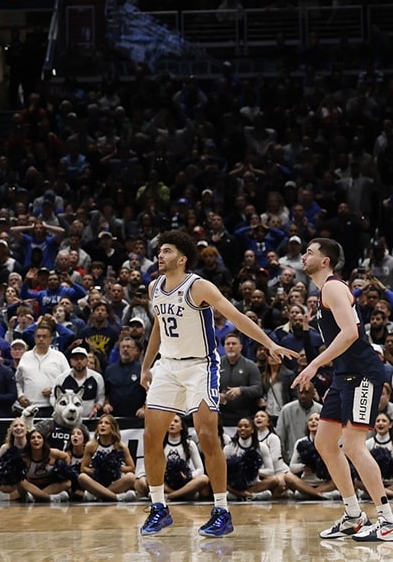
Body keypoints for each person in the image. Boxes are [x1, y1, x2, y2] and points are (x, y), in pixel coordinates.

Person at [139, 230, 297, 537]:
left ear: (182, 259)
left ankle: (222, 510)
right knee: (150, 435)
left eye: (167, 251)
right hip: (167, 366)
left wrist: (269, 343)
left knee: (207, 435)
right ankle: (158, 507)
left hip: (200, 366)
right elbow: (159, 326)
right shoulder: (154, 287)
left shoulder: (198, 286)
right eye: (159, 251)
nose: (160, 255)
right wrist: (147, 366)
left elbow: (236, 316)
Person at [292, 238, 393, 541]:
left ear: (325, 260)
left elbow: (350, 334)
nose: (304, 256)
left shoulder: (333, 287)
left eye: (309, 252)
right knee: (324, 443)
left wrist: (314, 365)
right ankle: (353, 515)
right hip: (344, 375)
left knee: (352, 445)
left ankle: (387, 518)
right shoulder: (324, 291)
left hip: (362, 374)